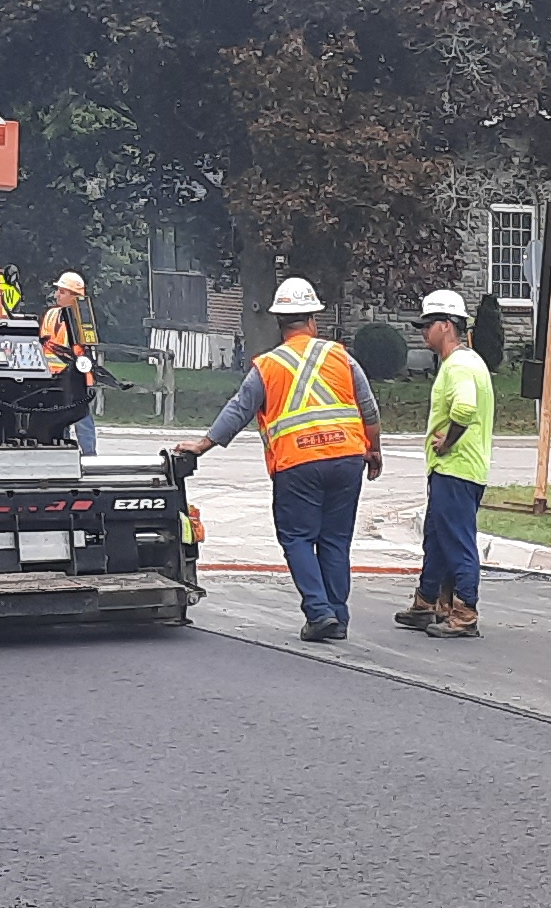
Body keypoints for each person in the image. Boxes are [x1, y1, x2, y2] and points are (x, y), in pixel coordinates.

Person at [174, 275, 380, 642]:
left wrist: (203, 445)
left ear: (279, 323)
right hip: (347, 458)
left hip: (298, 465)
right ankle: (339, 616)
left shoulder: (268, 366)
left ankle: (319, 613)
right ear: (313, 319)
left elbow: (239, 410)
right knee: (334, 540)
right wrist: (374, 450)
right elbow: (369, 408)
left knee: (298, 538)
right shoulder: (339, 355)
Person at [397, 288, 491, 639]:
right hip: (454, 470)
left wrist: (446, 440)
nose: (423, 332)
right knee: (436, 537)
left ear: (448, 326)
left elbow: (464, 408)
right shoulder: (466, 363)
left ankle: (464, 611)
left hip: (457, 469)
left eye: (428, 324)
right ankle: (428, 601)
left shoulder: (459, 366)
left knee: (456, 540)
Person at [39, 270, 102, 459]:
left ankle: (89, 455)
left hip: (75, 377)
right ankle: (62, 453)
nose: (57, 294)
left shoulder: (82, 320)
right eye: (58, 290)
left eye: (63, 291)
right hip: (51, 378)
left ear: (75, 296)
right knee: (59, 419)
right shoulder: (51, 314)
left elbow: (85, 352)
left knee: (81, 418)